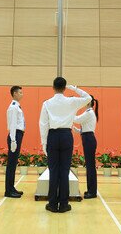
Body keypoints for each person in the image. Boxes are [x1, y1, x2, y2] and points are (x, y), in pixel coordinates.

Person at [39, 77, 91, 213]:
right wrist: (74, 89)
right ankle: (63, 204)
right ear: (64, 87)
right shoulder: (72, 101)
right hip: (67, 136)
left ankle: (52, 203)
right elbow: (88, 98)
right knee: (64, 171)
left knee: (53, 171)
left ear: (53, 87)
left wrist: (44, 143)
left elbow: (43, 124)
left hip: (53, 136)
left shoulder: (47, 104)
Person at [72, 95, 98, 199]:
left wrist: (71, 110)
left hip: (89, 139)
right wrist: (77, 130)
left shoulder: (89, 113)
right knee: (89, 165)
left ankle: (92, 191)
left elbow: (77, 119)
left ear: (88, 102)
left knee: (90, 166)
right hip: (87, 137)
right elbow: (85, 128)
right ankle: (91, 190)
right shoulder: (89, 113)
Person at [5, 86, 25, 198]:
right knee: (11, 164)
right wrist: (13, 139)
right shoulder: (13, 107)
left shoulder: (17, 106)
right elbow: (12, 124)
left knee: (13, 164)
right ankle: (8, 190)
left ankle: (11, 187)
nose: (22, 94)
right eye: (20, 92)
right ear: (15, 93)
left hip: (18, 134)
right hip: (15, 135)